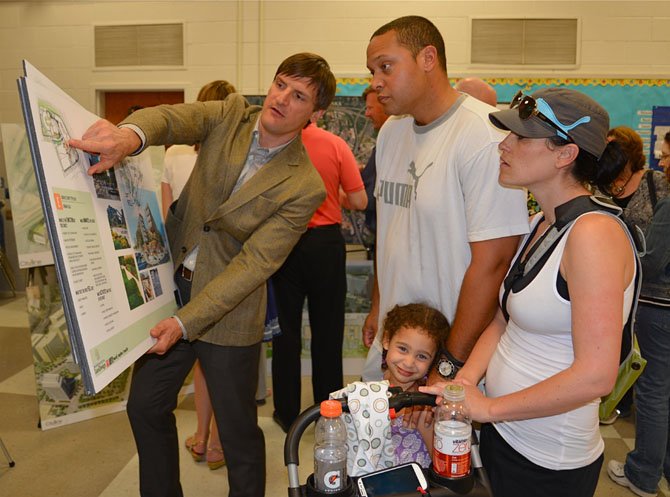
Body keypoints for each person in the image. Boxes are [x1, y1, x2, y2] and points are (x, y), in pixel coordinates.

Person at [68, 52, 335, 497]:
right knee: (146, 406)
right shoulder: (230, 113)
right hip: (169, 291)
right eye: (281, 84)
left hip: (228, 315)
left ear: (316, 114)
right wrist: (129, 136)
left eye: (300, 95)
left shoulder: (304, 186)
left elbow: (254, 265)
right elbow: (170, 119)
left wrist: (185, 322)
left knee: (238, 435)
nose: (283, 98)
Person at [422, 88, 637, 497]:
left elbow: (596, 375)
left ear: (565, 154)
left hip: (548, 461)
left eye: (521, 138)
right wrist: (464, 383)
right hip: (507, 438)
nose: (504, 145)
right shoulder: (541, 222)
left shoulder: (593, 235)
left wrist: (489, 408)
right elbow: (505, 320)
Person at [361, 16, 529, 383]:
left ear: (428, 58)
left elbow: (495, 262)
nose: (375, 82)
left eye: (386, 67)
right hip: (396, 346)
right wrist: (378, 305)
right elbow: (390, 231)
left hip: (451, 352)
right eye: (372, 70)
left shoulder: (483, 134)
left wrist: (449, 362)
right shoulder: (392, 132)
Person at [157, 79, 237, 471]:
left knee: (200, 363)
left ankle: (201, 435)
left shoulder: (174, 154)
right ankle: (220, 443)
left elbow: (168, 215)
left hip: (183, 274)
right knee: (223, 365)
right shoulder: (239, 159)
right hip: (226, 276)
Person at [271, 120, 367, 431]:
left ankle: (286, 414)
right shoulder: (335, 144)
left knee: (285, 332)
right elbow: (360, 201)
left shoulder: (277, 142)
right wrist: (334, 196)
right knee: (328, 332)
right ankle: (328, 412)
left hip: (285, 240)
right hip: (325, 244)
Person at [607, 132, 670, 496]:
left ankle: (644, 473)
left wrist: (620, 269)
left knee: (652, 392)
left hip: (654, 303)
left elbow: (656, 258)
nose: (662, 160)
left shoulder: (660, 188)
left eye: (667, 154)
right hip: (644, 302)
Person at [382, 303, 449, 467]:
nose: (409, 362)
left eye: (422, 356)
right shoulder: (374, 389)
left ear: (434, 360)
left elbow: (441, 465)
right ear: (386, 340)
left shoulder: (423, 408)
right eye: (403, 349)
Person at [360, 85, 390, 255]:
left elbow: (368, 199)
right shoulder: (385, 143)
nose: (366, 114)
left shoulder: (387, 146)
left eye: (370, 108)